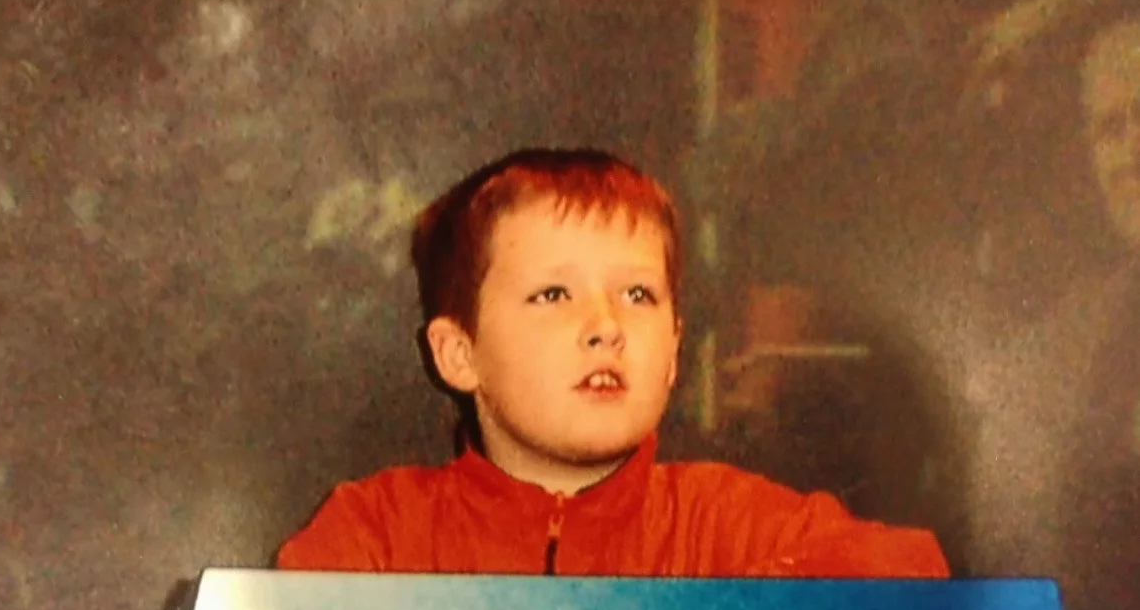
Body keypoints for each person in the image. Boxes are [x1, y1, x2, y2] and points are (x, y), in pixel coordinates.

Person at [278, 148, 948, 577]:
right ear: (460, 355)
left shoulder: (726, 524)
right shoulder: (376, 537)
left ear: (675, 349)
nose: (606, 327)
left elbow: (917, 589)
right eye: (553, 294)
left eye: (637, 294)